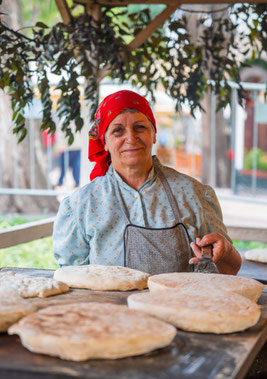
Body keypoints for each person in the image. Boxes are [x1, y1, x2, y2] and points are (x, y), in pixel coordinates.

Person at [53, 90, 241, 275]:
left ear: (154, 134)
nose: (131, 138)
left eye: (139, 127)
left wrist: (225, 252)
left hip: (179, 305)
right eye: (118, 130)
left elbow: (228, 270)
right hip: (110, 306)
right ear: (104, 142)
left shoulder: (194, 194)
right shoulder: (81, 205)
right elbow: (74, 281)